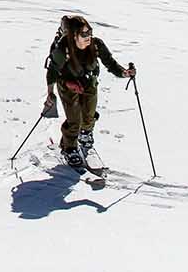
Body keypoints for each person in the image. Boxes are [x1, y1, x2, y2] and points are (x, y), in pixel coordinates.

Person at [41, 13, 134, 170]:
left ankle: (85, 136)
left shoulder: (96, 45)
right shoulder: (63, 48)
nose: (88, 36)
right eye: (84, 34)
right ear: (74, 35)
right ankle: (69, 148)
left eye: (89, 32)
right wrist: (50, 93)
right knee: (74, 119)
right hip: (67, 84)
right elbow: (53, 71)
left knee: (89, 115)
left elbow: (110, 63)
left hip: (89, 81)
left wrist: (125, 73)